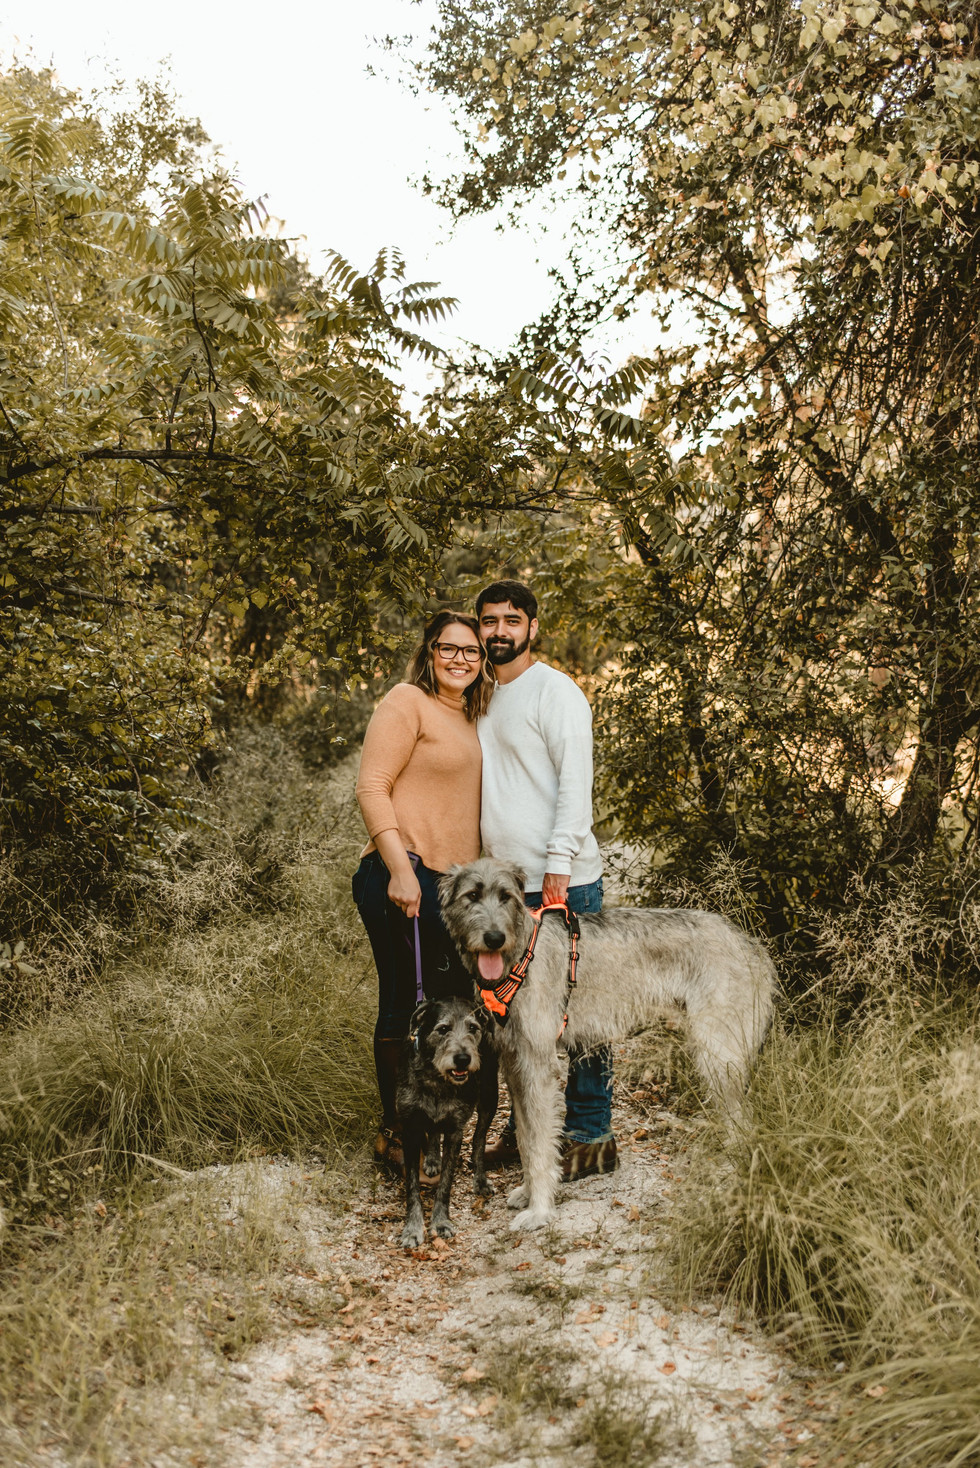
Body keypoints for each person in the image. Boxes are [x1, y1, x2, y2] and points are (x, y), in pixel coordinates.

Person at [476, 578, 618, 1179]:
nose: (500, 631)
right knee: (514, 1020)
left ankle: (591, 1133)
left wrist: (560, 863)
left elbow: (575, 783)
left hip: (562, 881)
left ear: (532, 628)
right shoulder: (483, 696)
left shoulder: (556, 691)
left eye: (512, 620)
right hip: (508, 889)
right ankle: (528, 1129)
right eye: (490, 620)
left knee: (580, 1015)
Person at [352, 610, 494, 1175]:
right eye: (448, 648)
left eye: (471, 650)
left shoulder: (475, 716)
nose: (460, 659)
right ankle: (395, 1131)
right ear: (430, 652)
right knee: (402, 1004)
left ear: (482, 661)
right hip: (401, 875)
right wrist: (399, 869)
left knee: (450, 1006)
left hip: (451, 889)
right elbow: (372, 787)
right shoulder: (406, 701)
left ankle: (437, 1125)